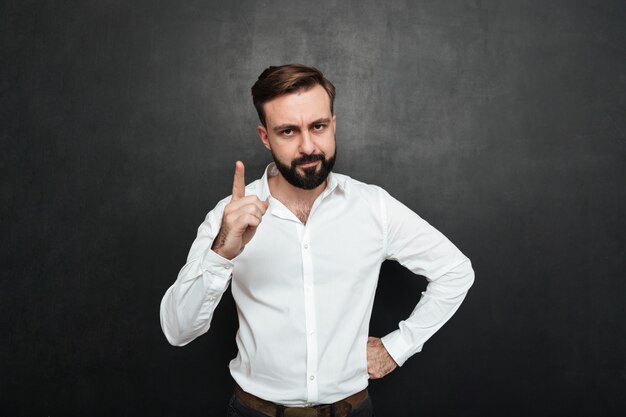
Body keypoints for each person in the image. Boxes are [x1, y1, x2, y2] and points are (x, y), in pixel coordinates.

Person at [160, 64, 475, 417]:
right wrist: (222, 252)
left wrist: (398, 346)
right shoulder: (229, 216)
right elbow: (177, 330)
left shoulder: (373, 207)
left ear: (333, 124)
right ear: (265, 137)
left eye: (318, 126)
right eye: (288, 131)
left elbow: (455, 271)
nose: (308, 146)